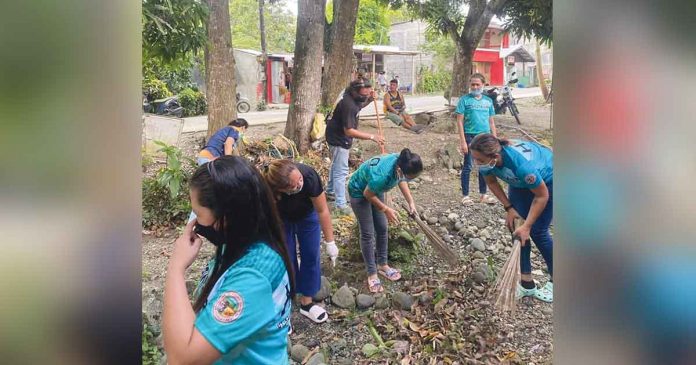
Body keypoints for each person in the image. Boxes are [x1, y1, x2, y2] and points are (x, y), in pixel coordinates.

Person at [163, 156, 295, 364]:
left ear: (226, 217)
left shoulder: (252, 278)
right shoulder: (241, 244)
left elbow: (182, 359)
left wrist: (176, 268)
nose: (195, 222)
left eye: (198, 213)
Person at [469, 134, 553, 302]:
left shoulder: (522, 166)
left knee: (538, 232)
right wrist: (509, 208)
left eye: (479, 159)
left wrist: (528, 225)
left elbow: (542, 196)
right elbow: (492, 183)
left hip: (548, 180)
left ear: (495, 157)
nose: (476, 163)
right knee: (517, 228)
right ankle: (527, 283)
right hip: (519, 183)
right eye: (474, 159)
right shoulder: (488, 163)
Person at [263, 160, 339, 324]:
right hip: (281, 219)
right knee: (286, 259)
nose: (300, 183)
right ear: (281, 189)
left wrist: (330, 242)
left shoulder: (309, 176)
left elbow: (322, 210)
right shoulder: (266, 188)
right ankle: (285, 304)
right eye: (295, 185)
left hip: (307, 216)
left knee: (311, 254)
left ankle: (307, 302)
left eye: (300, 179)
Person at [347, 148, 422, 293]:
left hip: (375, 189)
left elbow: (402, 180)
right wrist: (386, 209)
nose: (410, 180)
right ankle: (372, 273)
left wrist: (411, 202)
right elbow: (367, 194)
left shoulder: (402, 162)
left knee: (382, 227)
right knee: (368, 233)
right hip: (359, 192)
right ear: (400, 169)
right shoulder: (382, 175)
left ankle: (382, 264)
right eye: (410, 177)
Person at [325, 79, 385, 216]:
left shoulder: (351, 95)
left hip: (334, 134)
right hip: (339, 138)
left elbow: (359, 105)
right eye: (364, 95)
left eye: (368, 93)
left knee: (336, 165)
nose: (366, 96)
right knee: (341, 170)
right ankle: (340, 204)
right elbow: (349, 131)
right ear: (355, 92)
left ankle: (330, 191)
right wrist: (372, 137)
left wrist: (369, 99)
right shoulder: (348, 105)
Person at [455, 73, 498, 206]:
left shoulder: (488, 101)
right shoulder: (464, 100)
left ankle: (483, 194)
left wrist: (495, 139)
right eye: (472, 84)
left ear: (483, 85)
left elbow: (491, 122)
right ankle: (465, 196)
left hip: (485, 138)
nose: (474, 87)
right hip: (469, 136)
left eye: (477, 84)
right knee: (468, 166)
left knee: (484, 166)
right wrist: (463, 141)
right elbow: (460, 121)